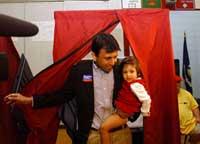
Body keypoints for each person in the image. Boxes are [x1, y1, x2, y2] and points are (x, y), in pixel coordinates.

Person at [4, 33, 133, 144]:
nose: (113, 62)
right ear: (94, 56)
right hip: (92, 136)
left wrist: (134, 114)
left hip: (120, 134)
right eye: (108, 58)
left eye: (115, 57)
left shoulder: (120, 70)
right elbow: (61, 95)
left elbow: (136, 90)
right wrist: (29, 100)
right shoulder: (80, 71)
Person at [100, 56, 151, 144]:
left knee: (103, 128)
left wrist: (145, 112)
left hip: (125, 113)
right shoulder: (129, 83)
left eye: (131, 71)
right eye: (125, 72)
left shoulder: (135, 85)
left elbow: (146, 99)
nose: (128, 75)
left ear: (138, 73)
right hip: (121, 110)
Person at [176, 76, 200, 144]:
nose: (177, 85)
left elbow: (194, 107)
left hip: (191, 125)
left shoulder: (186, 94)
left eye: (178, 83)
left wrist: (198, 118)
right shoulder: (167, 95)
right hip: (176, 129)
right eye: (175, 83)